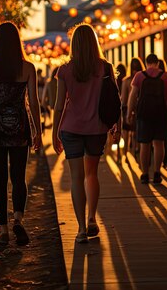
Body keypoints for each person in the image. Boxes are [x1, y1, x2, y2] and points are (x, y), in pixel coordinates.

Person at [52, 24, 120, 244]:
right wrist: (116, 124)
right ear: (94, 42)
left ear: (74, 44)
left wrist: (54, 132)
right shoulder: (105, 68)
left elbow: (59, 105)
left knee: (76, 177)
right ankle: (92, 218)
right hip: (97, 128)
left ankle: (81, 228)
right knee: (92, 174)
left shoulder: (64, 70)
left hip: (71, 128)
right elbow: (114, 99)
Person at [0, 22, 42, 245]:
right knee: (18, 177)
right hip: (20, 128)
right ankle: (18, 220)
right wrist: (38, 132)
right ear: (17, 42)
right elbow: (33, 103)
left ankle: (3, 229)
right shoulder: (28, 68)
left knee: (0, 179)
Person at [127, 54, 167, 185]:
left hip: (144, 115)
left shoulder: (139, 76)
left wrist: (129, 113)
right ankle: (157, 172)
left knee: (145, 144)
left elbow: (133, 96)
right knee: (159, 144)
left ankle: (144, 174)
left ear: (146, 62)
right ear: (157, 63)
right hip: (161, 114)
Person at [121, 57, 143, 158]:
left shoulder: (126, 81)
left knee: (126, 132)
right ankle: (136, 151)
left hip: (127, 108)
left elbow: (124, 99)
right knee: (136, 132)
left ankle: (125, 153)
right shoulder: (143, 79)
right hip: (139, 108)